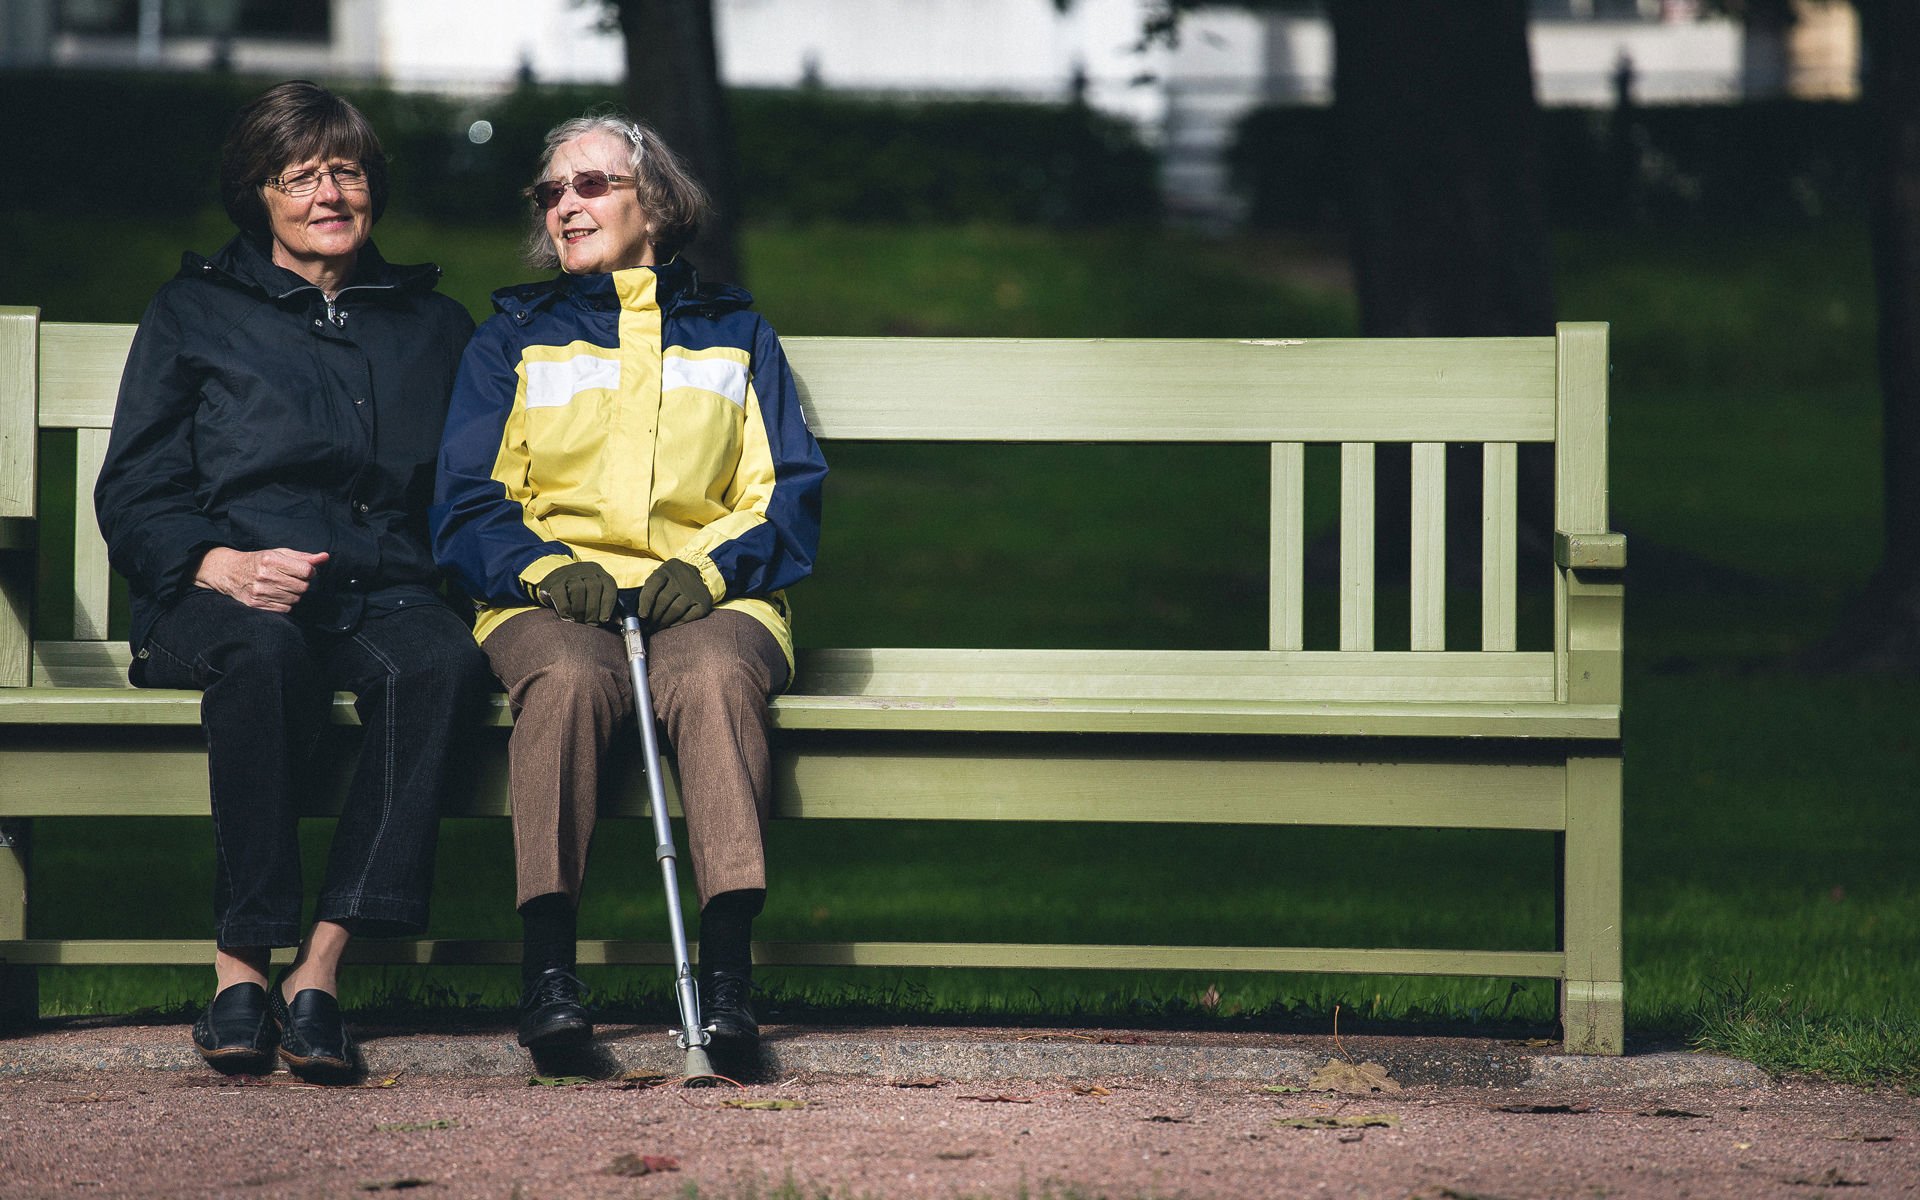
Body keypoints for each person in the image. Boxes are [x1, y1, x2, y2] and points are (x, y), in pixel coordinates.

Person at [93, 81, 490, 1081]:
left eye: (346, 172)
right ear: (258, 194)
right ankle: (241, 972)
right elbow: (135, 485)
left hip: (381, 587)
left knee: (438, 661)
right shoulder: (194, 311)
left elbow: (476, 485)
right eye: (300, 175)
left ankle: (318, 974)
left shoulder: (433, 325)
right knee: (265, 660)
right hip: (218, 596)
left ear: (373, 190)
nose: (328, 194)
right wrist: (211, 562)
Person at [431, 113, 826, 1056]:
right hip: (548, 597)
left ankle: (727, 976)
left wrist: (715, 569)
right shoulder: (512, 338)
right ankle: (550, 979)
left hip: (711, 594)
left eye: (591, 186)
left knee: (714, 677)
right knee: (568, 681)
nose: (567, 206)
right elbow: (466, 498)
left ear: (653, 200)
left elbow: (787, 493)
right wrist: (543, 568)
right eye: (552, 194)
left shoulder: (736, 332)